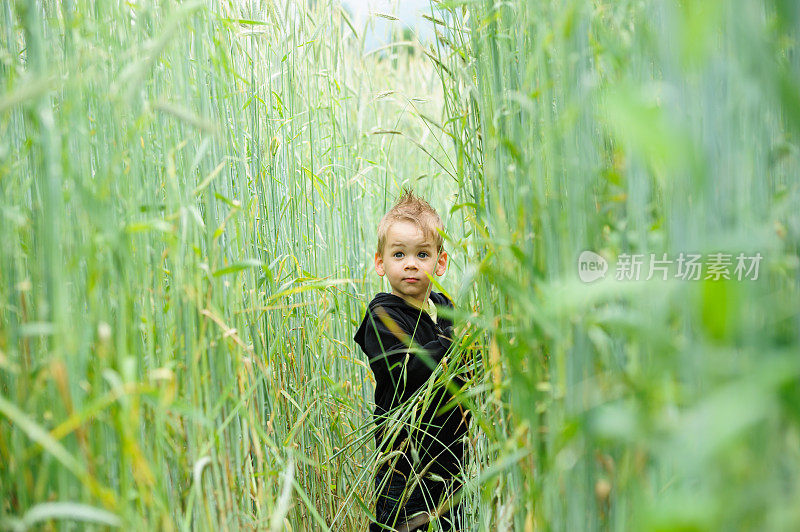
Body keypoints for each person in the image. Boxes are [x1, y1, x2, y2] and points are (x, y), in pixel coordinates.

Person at [354, 189, 470, 531]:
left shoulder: (445, 308)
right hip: (404, 464)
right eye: (399, 254)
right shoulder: (383, 316)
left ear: (440, 262)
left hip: (451, 461)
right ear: (381, 263)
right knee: (402, 524)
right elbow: (405, 371)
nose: (410, 264)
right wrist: (452, 343)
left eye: (422, 254)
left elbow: (469, 365)